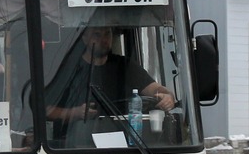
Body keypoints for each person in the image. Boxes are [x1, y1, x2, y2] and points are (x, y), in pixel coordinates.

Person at [44, 25, 175, 140]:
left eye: (108, 33)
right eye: (97, 34)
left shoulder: (124, 65)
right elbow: (45, 110)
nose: (104, 39)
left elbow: (154, 89)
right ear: (84, 38)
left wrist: (167, 96)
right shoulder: (69, 68)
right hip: (75, 147)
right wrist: (75, 113)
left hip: (125, 144)